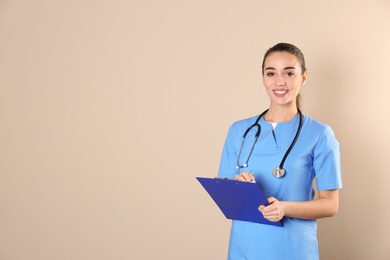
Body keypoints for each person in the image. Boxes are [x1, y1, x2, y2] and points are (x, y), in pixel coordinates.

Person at [218, 42, 342, 260]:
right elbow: (225, 193)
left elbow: (331, 205)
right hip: (245, 246)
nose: (279, 81)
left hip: (293, 247)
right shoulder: (239, 131)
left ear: (303, 78)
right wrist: (240, 187)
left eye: (289, 73)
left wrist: (285, 208)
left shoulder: (320, 134)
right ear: (263, 78)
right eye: (271, 73)